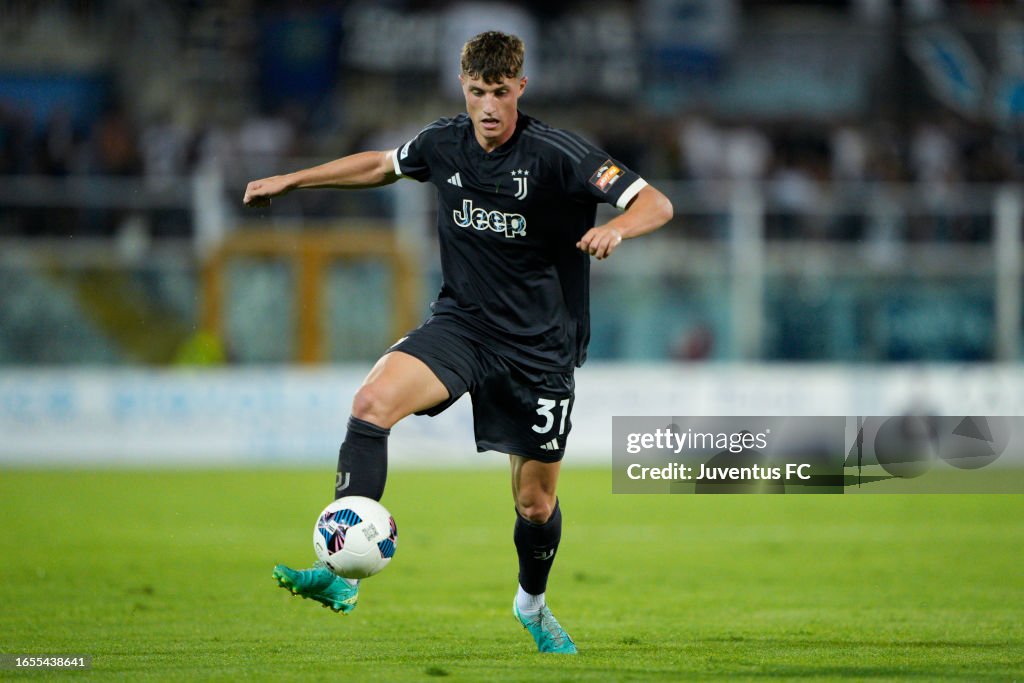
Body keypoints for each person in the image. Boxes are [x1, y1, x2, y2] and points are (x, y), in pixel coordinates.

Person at [243, 30, 673, 655]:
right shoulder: (445, 142)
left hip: (540, 349)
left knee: (534, 504)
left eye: (501, 92)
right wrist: (294, 179)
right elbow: (382, 164)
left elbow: (655, 202)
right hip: (463, 325)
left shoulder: (558, 154)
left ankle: (532, 604)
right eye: (478, 92)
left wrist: (620, 229)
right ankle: (342, 573)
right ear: (464, 90)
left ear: (520, 87)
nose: (490, 106)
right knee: (370, 405)